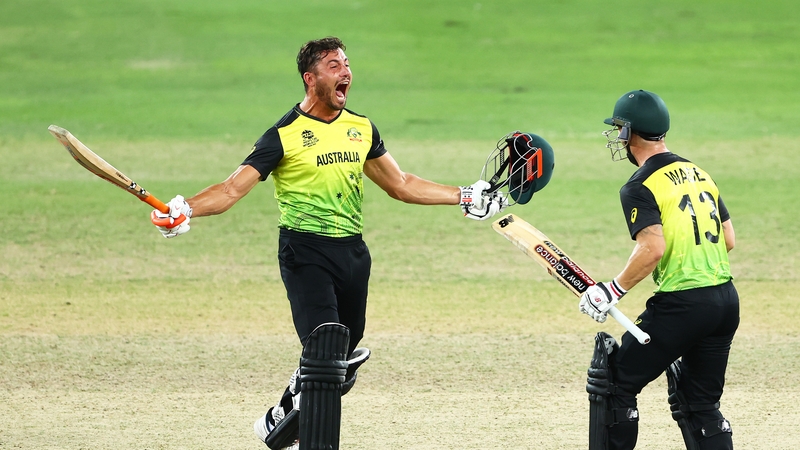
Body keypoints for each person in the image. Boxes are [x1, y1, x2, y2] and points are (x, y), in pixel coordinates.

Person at [149, 36, 506, 450]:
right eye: (334, 66)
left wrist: (464, 195)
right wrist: (186, 209)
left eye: (347, 64)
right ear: (310, 78)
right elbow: (231, 189)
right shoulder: (283, 135)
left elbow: (401, 184)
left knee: (343, 358)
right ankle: (302, 423)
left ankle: (281, 415)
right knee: (324, 345)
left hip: (353, 254)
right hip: (305, 252)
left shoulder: (361, 128)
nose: (346, 72)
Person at [578, 90, 739, 450]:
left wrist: (611, 290)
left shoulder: (640, 185)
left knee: (614, 384)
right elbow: (728, 239)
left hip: (683, 304)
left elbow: (653, 248)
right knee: (700, 404)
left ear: (628, 132)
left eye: (618, 128)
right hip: (726, 302)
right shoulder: (699, 173)